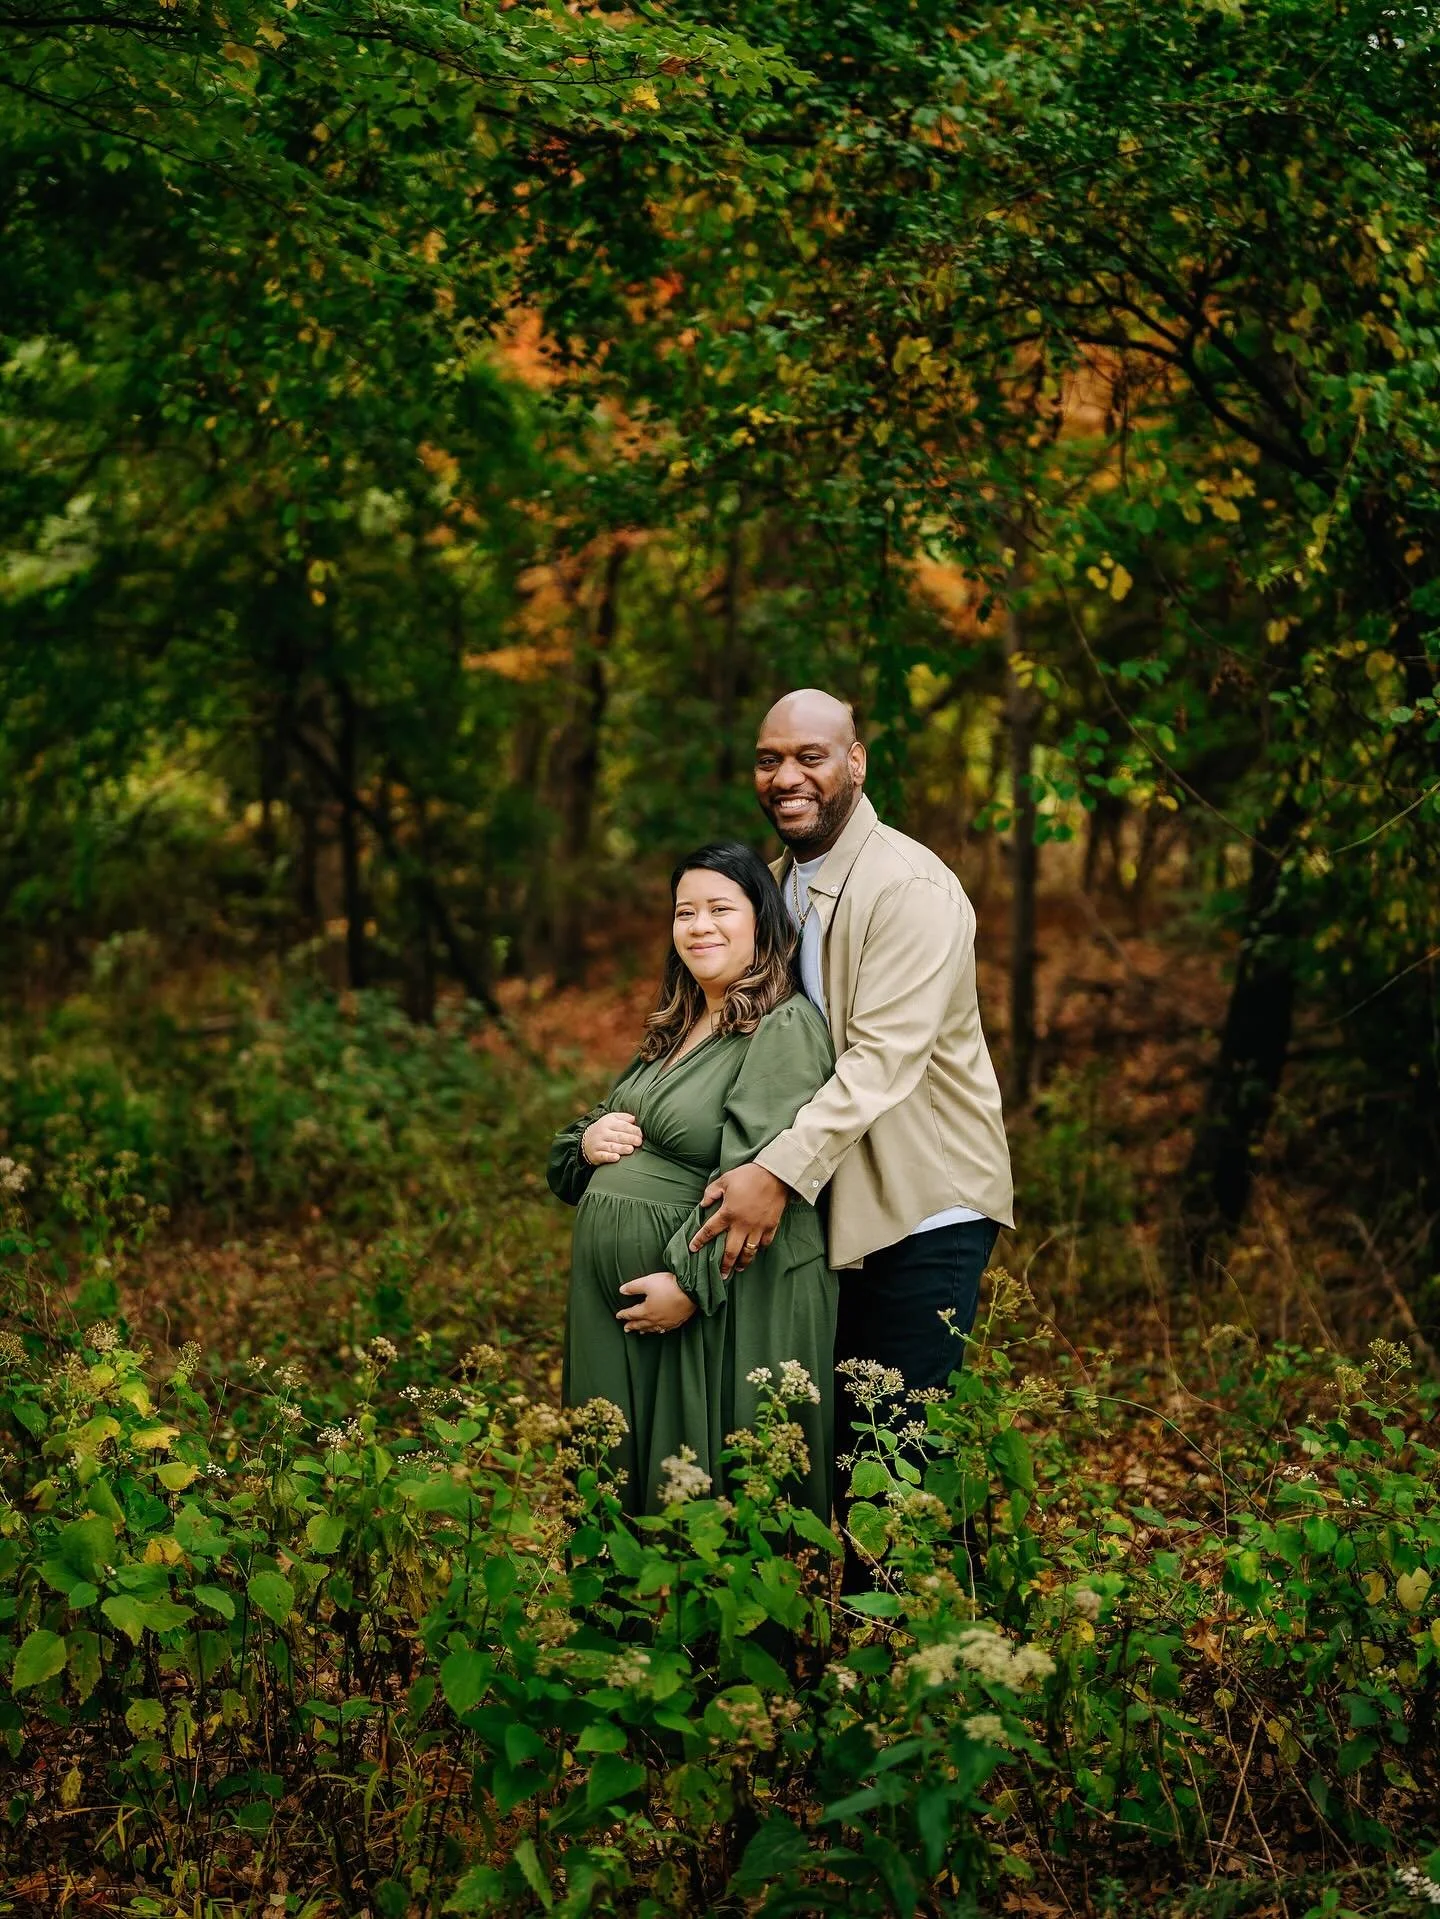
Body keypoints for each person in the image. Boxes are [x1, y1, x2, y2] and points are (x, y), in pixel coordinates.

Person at [688, 691, 1014, 1576]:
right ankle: (846, 1665)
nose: (787, 776)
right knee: (828, 1454)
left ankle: (938, 1668)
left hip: (921, 1206)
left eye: (810, 756)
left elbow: (880, 1060)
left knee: (895, 1465)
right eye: (768, 759)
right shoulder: (779, 883)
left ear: (856, 762)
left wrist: (776, 1173)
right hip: (832, 1208)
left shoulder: (910, 888)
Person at [547, 841, 837, 1521]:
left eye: (719, 909)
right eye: (685, 912)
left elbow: (755, 1184)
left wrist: (687, 1281)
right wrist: (586, 1143)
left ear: (762, 922)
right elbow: (572, 1153)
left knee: (699, 1502)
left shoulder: (783, 1027)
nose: (699, 925)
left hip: (706, 1301)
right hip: (620, 1308)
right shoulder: (679, 1025)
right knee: (610, 1492)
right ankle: (616, 1627)